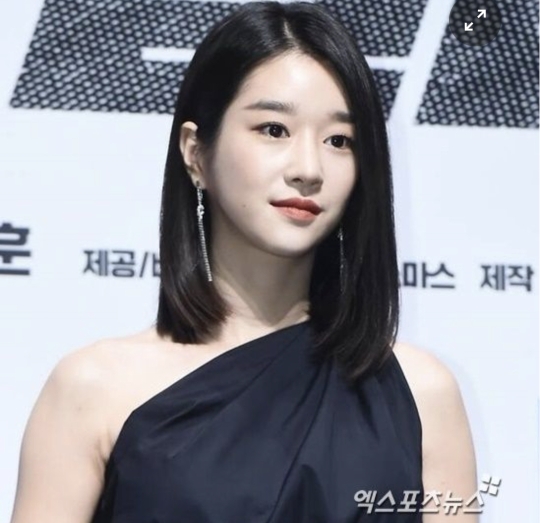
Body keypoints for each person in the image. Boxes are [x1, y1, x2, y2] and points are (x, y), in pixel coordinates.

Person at [9, 2, 478, 522]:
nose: (308, 168)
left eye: (339, 140)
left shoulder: (424, 394)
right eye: (274, 129)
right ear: (195, 152)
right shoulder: (92, 389)